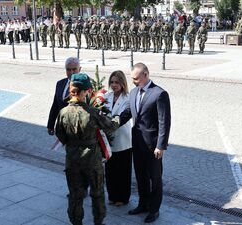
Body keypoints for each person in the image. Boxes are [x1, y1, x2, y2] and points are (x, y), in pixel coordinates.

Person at [55, 73, 120, 225]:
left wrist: (71, 144)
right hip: (92, 160)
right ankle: (98, 222)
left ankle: (76, 222)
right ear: (85, 92)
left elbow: (59, 133)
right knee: (97, 194)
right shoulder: (92, 112)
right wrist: (116, 117)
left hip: (72, 160)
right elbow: (110, 127)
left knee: (75, 195)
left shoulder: (63, 112)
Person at [119, 63, 171, 223]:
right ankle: (143, 204)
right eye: (132, 78)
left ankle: (154, 210)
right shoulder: (133, 92)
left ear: (146, 75)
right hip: (137, 144)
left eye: (136, 78)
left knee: (155, 179)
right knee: (140, 176)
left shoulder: (159, 94)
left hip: (153, 146)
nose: (133, 81)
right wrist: (110, 123)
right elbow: (127, 113)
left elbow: (164, 122)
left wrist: (161, 146)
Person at [104, 70, 132, 206]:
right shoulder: (106, 96)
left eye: (117, 82)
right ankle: (112, 195)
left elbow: (123, 117)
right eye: (112, 82)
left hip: (123, 139)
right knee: (110, 170)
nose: (114, 85)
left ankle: (122, 197)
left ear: (122, 83)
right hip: (108, 139)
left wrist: (109, 123)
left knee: (123, 171)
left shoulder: (128, 98)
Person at [47, 57, 81, 135]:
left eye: (74, 69)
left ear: (79, 69)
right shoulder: (60, 84)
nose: (71, 72)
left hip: (78, 131)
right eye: (68, 70)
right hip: (62, 128)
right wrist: (50, 125)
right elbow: (55, 105)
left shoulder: (85, 87)